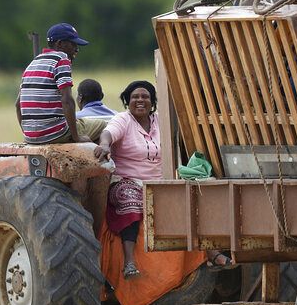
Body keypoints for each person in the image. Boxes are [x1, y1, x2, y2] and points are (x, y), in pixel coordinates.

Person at [94, 80, 231, 278]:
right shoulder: (123, 120)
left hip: (159, 181)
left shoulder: (160, 121)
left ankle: (212, 253)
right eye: (135, 97)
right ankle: (130, 262)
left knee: (192, 199)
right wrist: (105, 145)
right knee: (129, 201)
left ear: (152, 102)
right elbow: (108, 133)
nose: (140, 100)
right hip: (127, 180)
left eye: (145, 97)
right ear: (127, 101)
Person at [16, 23, 106, 144]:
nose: (76, 49)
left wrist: (28, 135)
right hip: (56, 134)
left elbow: (18, 104)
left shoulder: (33, 63)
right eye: (73, 44)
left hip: (30, 137)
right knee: (102, 125)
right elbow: (67, 100)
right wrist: (76, 137)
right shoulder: (61, 59)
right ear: (59, 44)